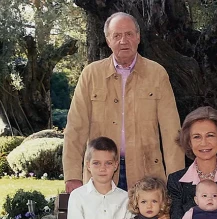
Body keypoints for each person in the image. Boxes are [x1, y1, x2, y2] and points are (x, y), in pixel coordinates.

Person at [62, 11, 183, 193]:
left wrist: (175, 180)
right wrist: (72, 175)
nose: (123, 41)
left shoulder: (157, 74)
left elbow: (171, 131)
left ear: (138, 37)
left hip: (147, 175)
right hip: (101, 175)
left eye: (129, 34)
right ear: (108, 40)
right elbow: (75, 129)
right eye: (117, 35)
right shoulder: (90, 75)